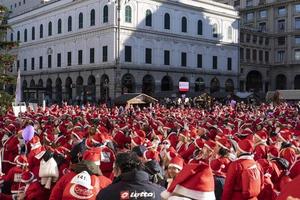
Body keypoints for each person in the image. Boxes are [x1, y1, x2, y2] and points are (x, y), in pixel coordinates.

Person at [96, 152, 165, 200]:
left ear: (119, 169)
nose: (113, 171)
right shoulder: (161, 192)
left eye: (114, 168)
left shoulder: (107, 193)